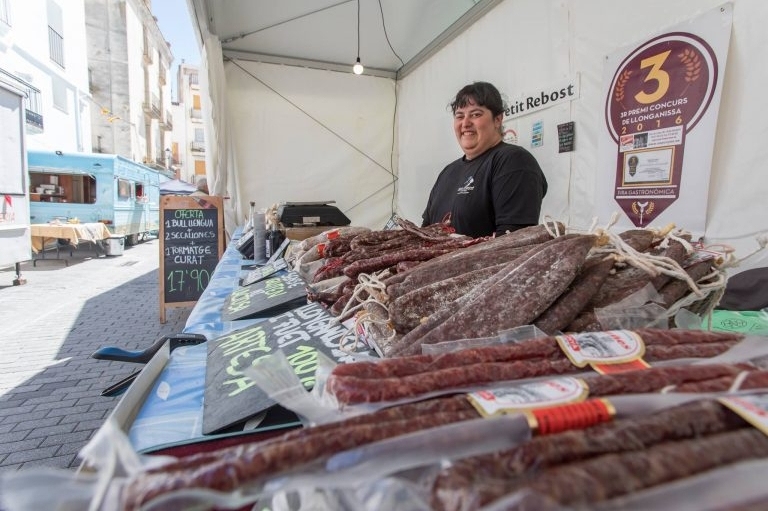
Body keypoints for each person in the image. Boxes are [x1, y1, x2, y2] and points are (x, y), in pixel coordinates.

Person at [422, 81, 548, 238]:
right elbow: (425, 233)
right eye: (459, 116)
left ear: (498, 119)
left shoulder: (513, 161)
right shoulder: (447, 172)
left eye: (476, 114)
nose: (465, 123)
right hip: (435, 263)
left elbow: (512, 243)